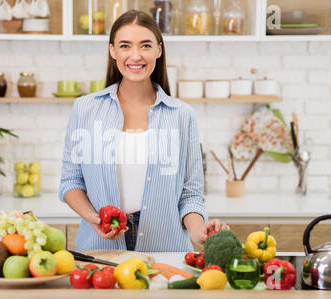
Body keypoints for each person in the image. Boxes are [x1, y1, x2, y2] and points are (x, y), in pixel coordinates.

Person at [59, 10, 229, 252]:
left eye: (145, 45)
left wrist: (197, 230)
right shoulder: (85, 109)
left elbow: (190, 195)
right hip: (100, 250)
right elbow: (70, 182)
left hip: (166, 251)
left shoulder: (181, 115)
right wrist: (94, 219)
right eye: (125, 46)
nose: (135, 56)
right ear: (112, 51)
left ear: (159, 50)